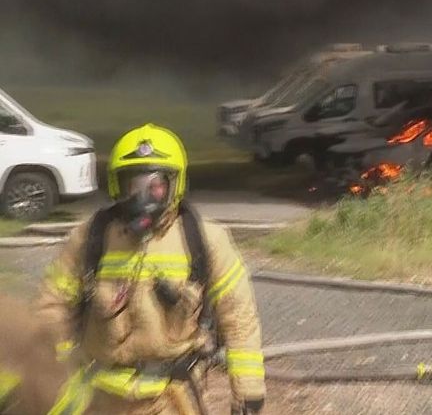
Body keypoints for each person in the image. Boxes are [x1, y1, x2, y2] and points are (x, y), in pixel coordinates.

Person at [35, 124, 265, 414]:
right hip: (99, 396)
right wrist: (52, 372)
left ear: (175, 186)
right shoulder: (90, 238)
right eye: (134, 186)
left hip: (172, 399)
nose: (143, 198)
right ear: (118, 186)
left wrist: (248, 392)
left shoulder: (205, 240)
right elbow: (52, 307)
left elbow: (239, 318)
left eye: (155, 187)